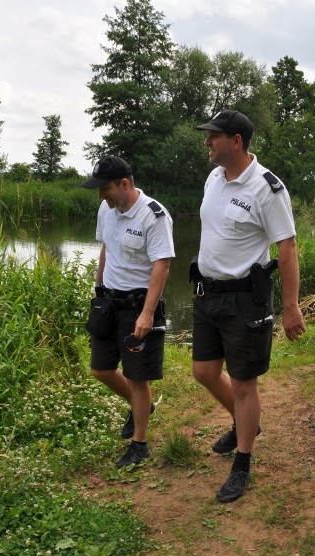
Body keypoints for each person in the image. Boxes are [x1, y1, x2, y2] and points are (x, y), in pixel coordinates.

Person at [192, 110, 306, 503]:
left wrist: (291, 306)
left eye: (213, 136)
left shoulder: (267, 188)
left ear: (236, 140)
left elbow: (287, 247)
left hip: (245, 298)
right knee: (204, 371)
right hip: (207, 293)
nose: (207, 142)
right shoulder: (213, 178)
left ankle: (242, 462)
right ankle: (247, 425)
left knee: (243, 382)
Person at [82, 155, 174, 468]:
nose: (100, 196)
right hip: (108, 302)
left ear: (125, 184)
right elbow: (106, 249)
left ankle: (140, 445)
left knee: (138, 377)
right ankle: (142, 408)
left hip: (137, 306)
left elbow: (162, 265)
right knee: (101, 369)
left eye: (104, 188)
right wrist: (97, 291)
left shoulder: (154, 215)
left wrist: (147, 314)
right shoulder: (106, 210)